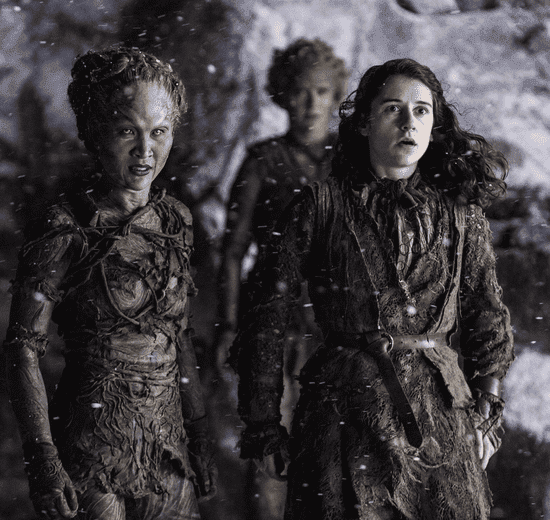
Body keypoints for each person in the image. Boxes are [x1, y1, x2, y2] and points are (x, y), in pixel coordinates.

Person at [232, 58, 514, 520]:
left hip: (442, 416)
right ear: (364, 122)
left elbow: (488, 312)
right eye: (392, 109)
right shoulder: (320, 205)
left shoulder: (461, 215)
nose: (408, 123)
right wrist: (264, 425)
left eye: (421, 111)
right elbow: (266, 315)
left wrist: (486, 411)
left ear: (434, 125)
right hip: (341, 415)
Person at [3, 47, 217, 520]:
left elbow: (178, 336)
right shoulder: (65, 228)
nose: (145, 151)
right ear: (93, 133)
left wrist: (199, 433)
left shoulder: (176, 221)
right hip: (89, 445)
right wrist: (43, 458)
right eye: (126, 131)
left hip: (167, 447)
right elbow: (22, 347)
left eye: (159, 132)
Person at [215, 38, 348, 520]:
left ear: (336, 97)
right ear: (281, 96)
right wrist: (229, 326)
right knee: (271, 443)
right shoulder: (262, 160)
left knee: (337, 446)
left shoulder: (350, 161)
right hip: (271, 323)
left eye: (321, 92)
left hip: (336, 326)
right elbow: (232, 252)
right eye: (299, 92)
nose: (310, 104)